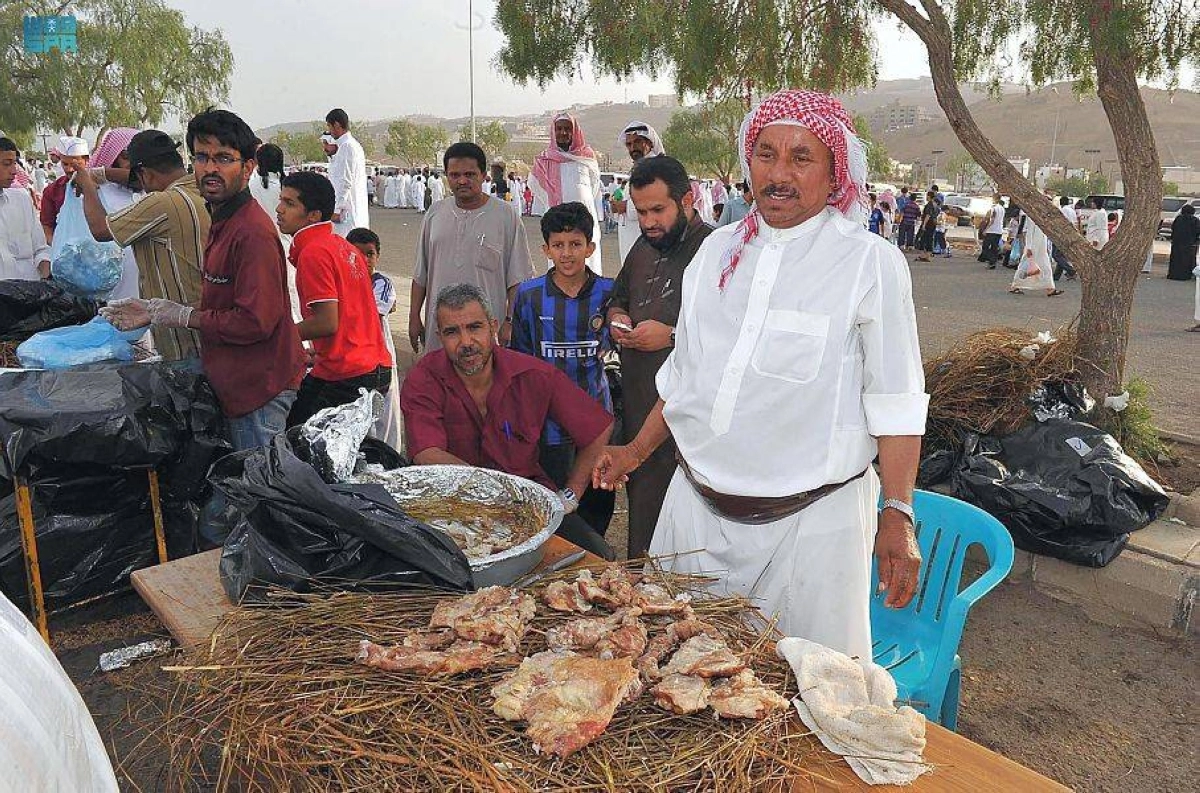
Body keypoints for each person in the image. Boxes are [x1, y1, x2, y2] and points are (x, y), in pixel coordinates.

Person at [593, 89, 927, 659]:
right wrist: (634, 453)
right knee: (673, 681)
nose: (779, 174)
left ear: (833, 171)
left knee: (808, 704)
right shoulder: (716, 252)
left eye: (802, 157)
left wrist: (897, 513)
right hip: (694, 518)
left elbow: (896, 401)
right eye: (766, 155)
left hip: (809, 534)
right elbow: (685, 380)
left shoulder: (869, 264)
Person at [102, 109, 306, 449]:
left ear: (248, 168)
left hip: (258, 387)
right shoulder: (222, 216)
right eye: (202, 157)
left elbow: (255, 322)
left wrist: (183, 316)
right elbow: (225, 299)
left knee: (256, 489)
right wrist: (154, 310)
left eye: (224, 158)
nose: (210, 168)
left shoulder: (250, 232)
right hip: (235, 379)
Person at [400, 283, 615, 560]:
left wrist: (571, 496)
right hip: (450, 509)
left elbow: (598, 427)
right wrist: (496, 496)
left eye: (474, 327)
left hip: (528, 507)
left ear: (493, 327)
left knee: (599, 557)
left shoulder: (532, 374)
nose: (466, 342)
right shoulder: (423, 378)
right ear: (439, 336)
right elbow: (427, 454)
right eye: (452, 332)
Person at [605, 154, 712, 559]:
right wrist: (617, 317)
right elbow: (618, 297)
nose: (649, 221)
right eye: (641, 211)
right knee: (645, 518)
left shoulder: (714, 250)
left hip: (690, 421)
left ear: (687, 201)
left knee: (688, 530)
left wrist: (669, 336)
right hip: (641, 407)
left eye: (658, 210)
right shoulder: (643, 247)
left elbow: (731, 334)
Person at [510, 202, 617, 537]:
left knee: (597, 506)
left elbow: (616, 351)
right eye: (558, 245)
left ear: (590, 247)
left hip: (596, 422)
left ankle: (594, 567)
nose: (567, 253)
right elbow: (521, 360)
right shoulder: (529, 296)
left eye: (575, 244)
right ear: (546, 249)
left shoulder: (608, 293)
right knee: (555, 508)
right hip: (549, 426)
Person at [74, 130, 209, 362]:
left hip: (185, 340)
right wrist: (101, 174)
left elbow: (100, 230)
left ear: (144, 173)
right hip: (208, 324)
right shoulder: (200, 188)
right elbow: (140, 180)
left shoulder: (162, 202)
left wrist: (87, 187)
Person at [273, 171, 393, 427]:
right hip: (372, 367)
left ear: (313, 215)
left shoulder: (314, 253)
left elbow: (327, 322)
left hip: (348, 374)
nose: (279, 209)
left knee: (297, 440)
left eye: (290, 203)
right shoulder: (341, 245)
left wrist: (278, 339)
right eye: (281, 200)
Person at [409, 141, 533, 353]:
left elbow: (518, 279)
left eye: (470, 174)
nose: (462, 181)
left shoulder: (505, 216)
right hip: (440, 329)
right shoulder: (434, 214)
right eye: (455, 175)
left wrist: (510, 322)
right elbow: (421, 274)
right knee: (440, 382)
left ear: (484, 175)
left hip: (485, 330)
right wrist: (413, 318)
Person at [346, 226, 404, 449]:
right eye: (358, 253)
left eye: (370, 254)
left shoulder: (381, 283)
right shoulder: (342, 281)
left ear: (377, 257)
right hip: (353, 358)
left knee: (385, 416)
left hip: (381, 357)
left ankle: (391, 459)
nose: (365, 259)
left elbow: (370, 312)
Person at [529, 113, 604, 274]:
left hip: (585, 221)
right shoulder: (544, 160)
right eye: (559, 129)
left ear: (574, 131)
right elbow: (535, 185)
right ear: (553, 131)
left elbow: (594, 187)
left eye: (567, 129)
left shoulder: (587, 157)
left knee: (589, 267)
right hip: (557, 222)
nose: (563, 133)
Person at [613, 121, 666, 263]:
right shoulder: (638, 167)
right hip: (631, 237)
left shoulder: (656, 167)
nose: (633, 148)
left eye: (637, 142)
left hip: (647, 237)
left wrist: (625, 207)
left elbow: (656, 200)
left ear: (649, 143)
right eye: (629, 144)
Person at [0, 138, 51, 280]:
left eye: (14, 163)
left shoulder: (21, 199)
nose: (14, 171)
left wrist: (46, 279)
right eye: (6, 164)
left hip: (32, 296)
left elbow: (41, 250)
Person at [39, 136, 90, 248]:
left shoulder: (100, 187)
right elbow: (46, 226)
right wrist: (57, 248)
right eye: (65, 164)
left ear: (86, 161)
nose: (69, 169)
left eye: (75, 165)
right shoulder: (52, 191)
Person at [325, 109, 370, 236]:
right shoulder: (348, 146)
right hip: (350, 206)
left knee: (346, 246)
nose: (329, 130)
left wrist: (337, 209)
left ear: (337, 125)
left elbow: (345, 181)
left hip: (347, 209)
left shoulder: (347, 146)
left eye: (329, 126)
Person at [1008, 217, 1063, 297]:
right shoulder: (1032, 216)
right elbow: (1029, 232)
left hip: (1041, 246)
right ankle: (1015, 285)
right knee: (1025, 265)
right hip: (1034, 246)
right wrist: (1029, 247)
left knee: (1045, 266)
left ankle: (1050, 288)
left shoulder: (1042, 216)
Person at [1168, 204, 1200, 281]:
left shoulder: (1178, 219)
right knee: (1188, 260)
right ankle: (1186, 275)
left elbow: (1173, 229)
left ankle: (1173, 274)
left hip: (1177, 243)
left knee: (1176, 259)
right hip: (1190, 244)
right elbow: (1198, 231)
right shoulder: (1195, 220)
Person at [1051, 196, 1079, 281]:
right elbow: (1075, 223)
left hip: (1061, 234)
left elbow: (1058, 223)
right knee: (1061, 255)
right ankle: (1056, 276)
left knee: (1056, 255)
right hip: (1070, 234)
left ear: (1060, 202)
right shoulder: (1072, 211)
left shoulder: (1062, 210)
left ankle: (1071, 271)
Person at [978, 195, 1006, 268]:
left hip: (992, 230)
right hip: (999, 230)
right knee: (994, 247)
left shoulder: (994, 208)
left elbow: (992, 220)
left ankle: (991, 260)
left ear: (994, 199)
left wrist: (986, 229)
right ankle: (992, 263)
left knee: (985, 246)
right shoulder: (1002, 208)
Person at [914, 191, 939, 261]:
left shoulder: (929, 205)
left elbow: (928, 215)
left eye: (927, 196)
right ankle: (927, 255)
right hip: (933, 224)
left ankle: (922, 255)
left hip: (928, 224)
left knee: (923, 239)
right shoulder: (935, 205)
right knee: (930, 239)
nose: (926, 197)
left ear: (929, 196)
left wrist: (924, 225)